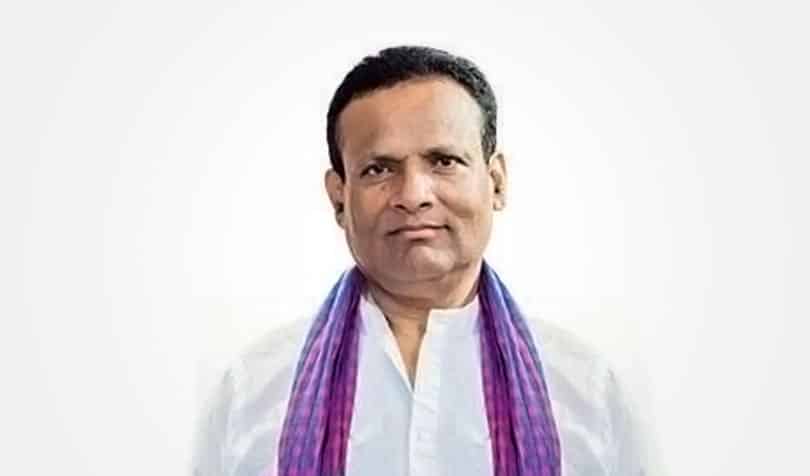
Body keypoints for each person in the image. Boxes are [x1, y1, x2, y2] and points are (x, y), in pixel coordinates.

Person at [193, 45, 649, 476]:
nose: (413, 195)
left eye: (444, 161)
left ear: (496, 182)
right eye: (379, 169)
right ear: (339, 198)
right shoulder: (251, 394)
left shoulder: (590, 391)